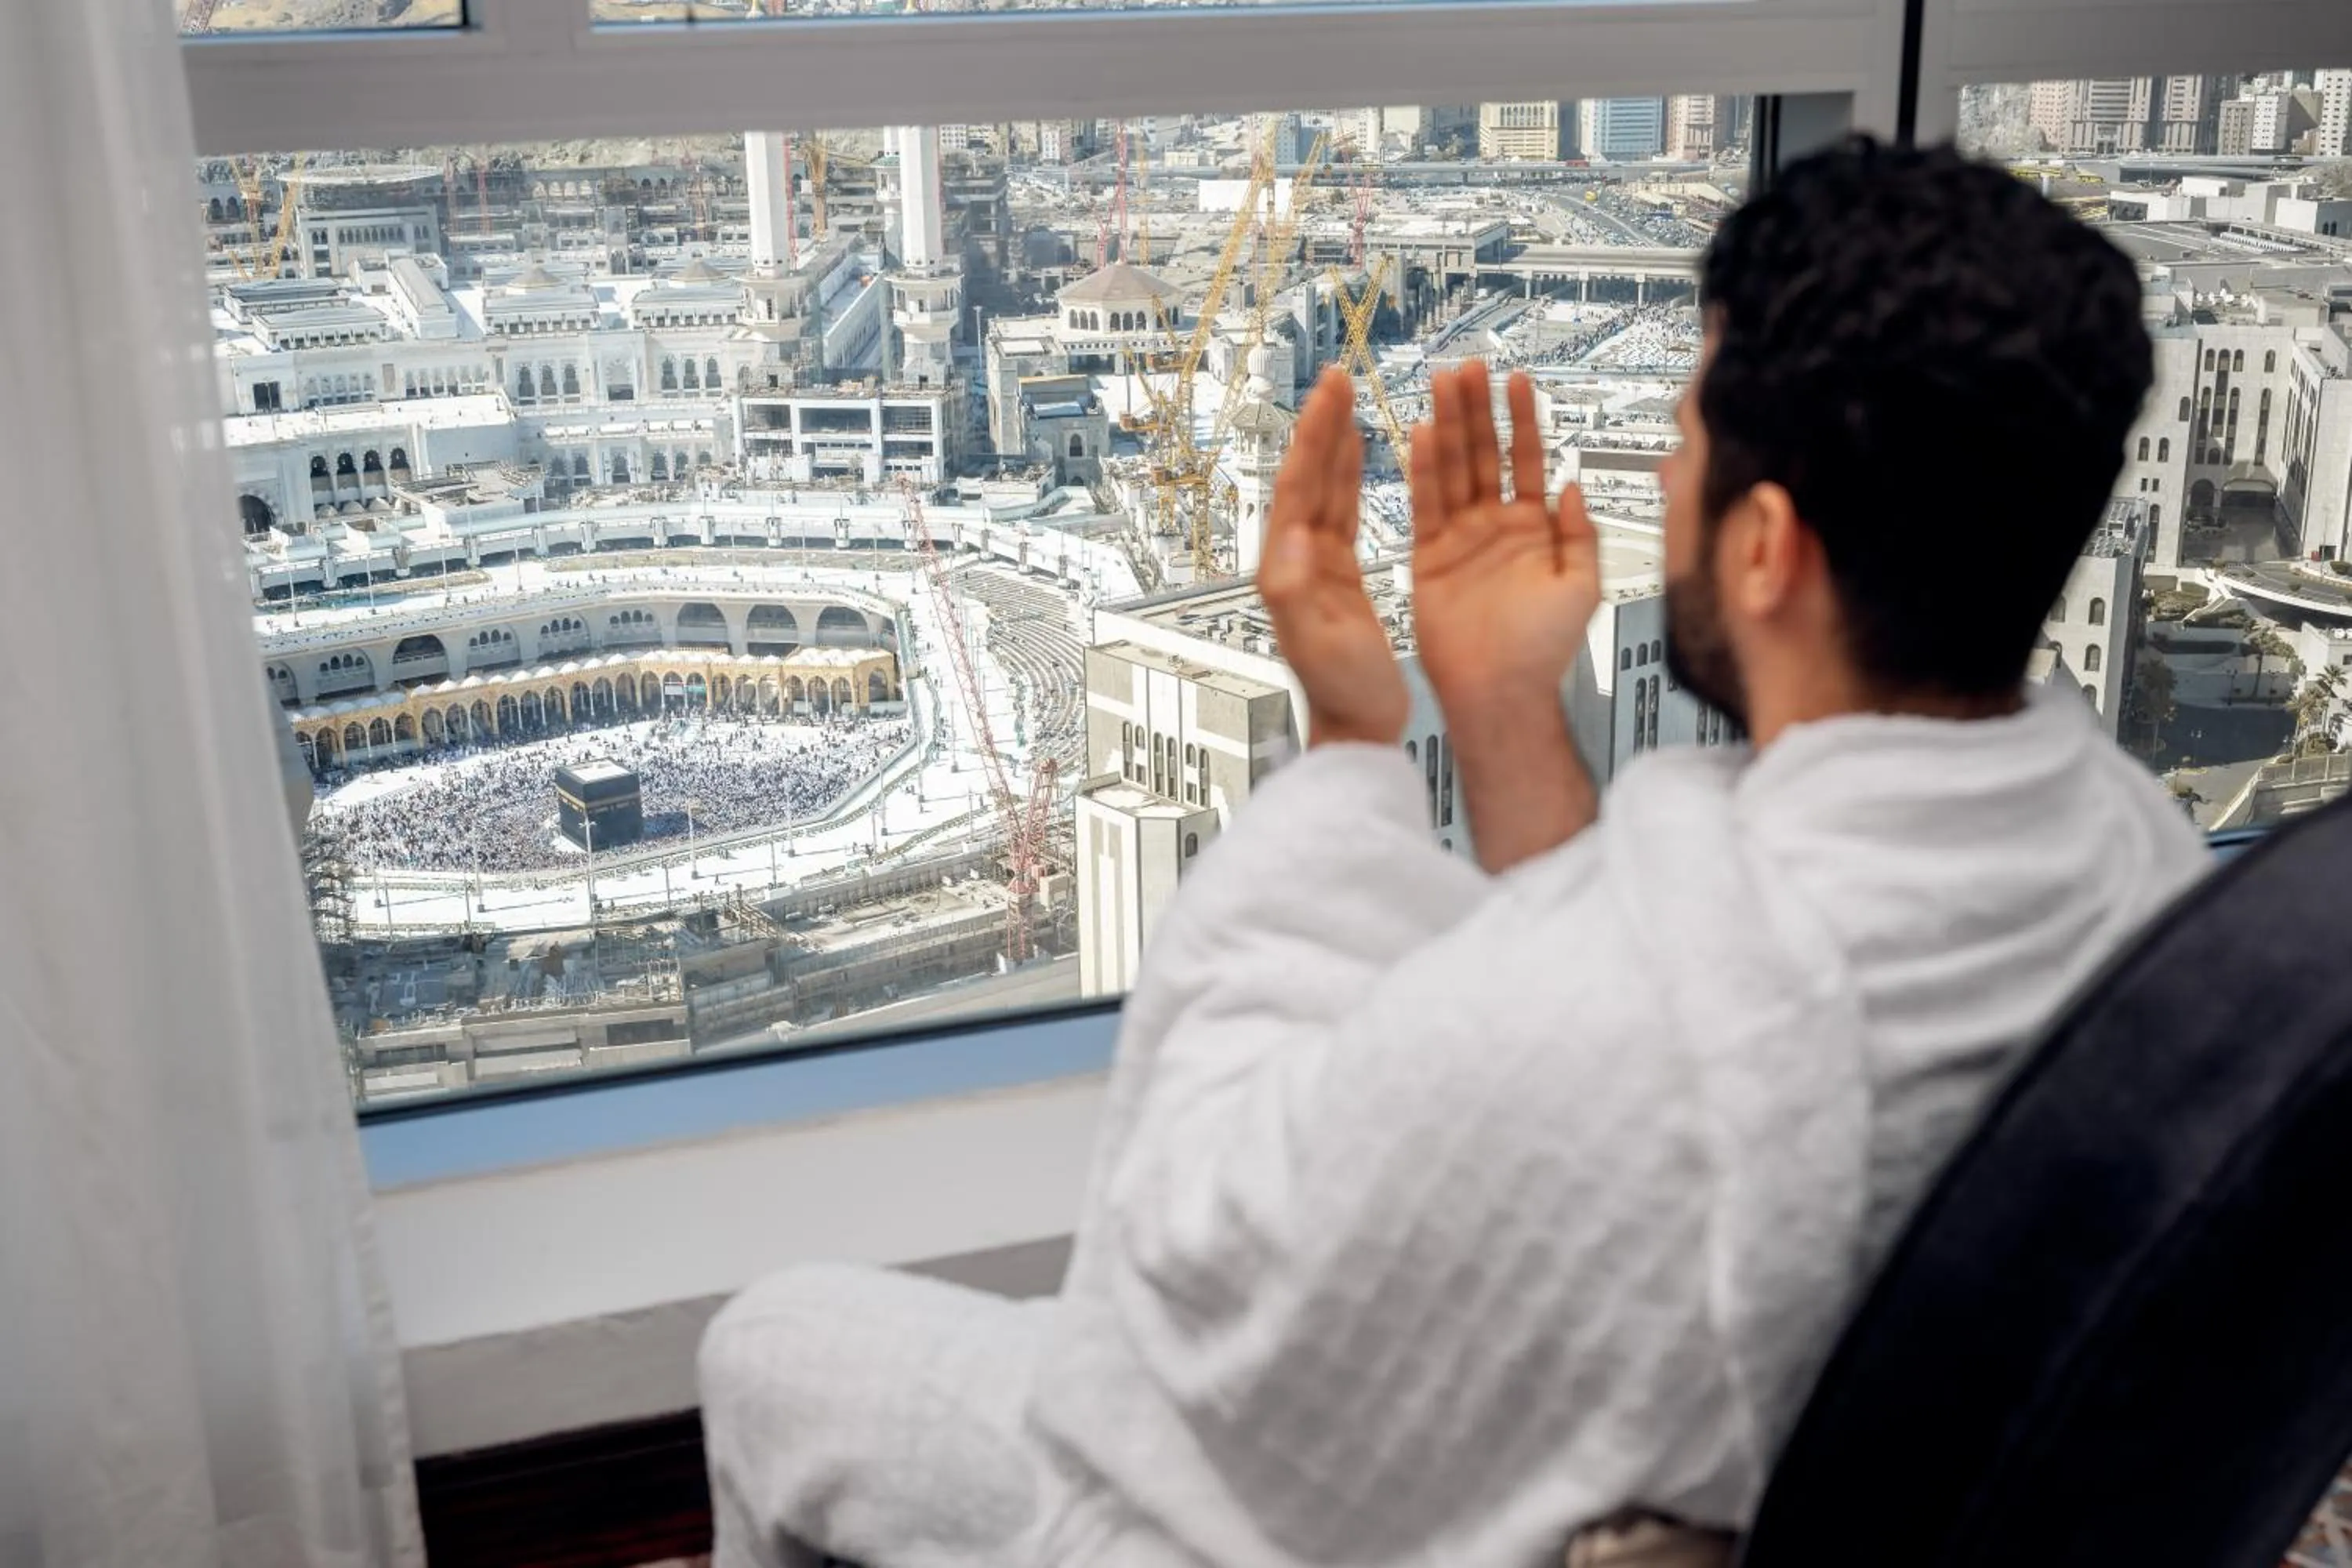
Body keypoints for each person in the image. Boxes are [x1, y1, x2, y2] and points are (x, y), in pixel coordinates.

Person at [698, 139, 2210, 1568]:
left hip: (1315, 1496)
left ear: (1766, 551)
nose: (1662, 485)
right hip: (1805, 1468)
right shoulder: (2134, 866)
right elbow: (1662, 975)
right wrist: (1495, 700)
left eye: (1681, 438)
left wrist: (1352, 744)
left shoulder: (1627, 1033)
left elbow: (1201, 1268)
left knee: (771, 1350)